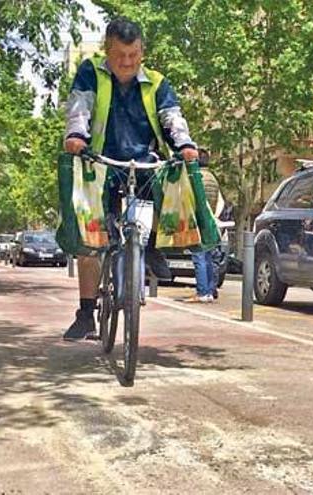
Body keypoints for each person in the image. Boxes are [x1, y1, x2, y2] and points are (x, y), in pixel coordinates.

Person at [63, 18, 200, 340]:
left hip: (143, 162)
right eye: (120, 55)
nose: (127, 62)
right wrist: (75, 136)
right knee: (90, 242)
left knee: (169, 186)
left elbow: (172, 118)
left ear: (142, 51)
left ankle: (150, 246)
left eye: (134, 54)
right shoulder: (90, 72)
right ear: (107, 51)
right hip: (98, 163)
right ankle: (85, 313)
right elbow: (80, 107)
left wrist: (185, 144)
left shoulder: (157, 83)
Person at [185, 149, 224, 303]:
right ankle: (208, 291)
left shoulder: (196, 177)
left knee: (199, 256)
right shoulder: (213, 178)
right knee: (208, 257)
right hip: (210, 220)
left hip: (199, 220)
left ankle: (202, 292)